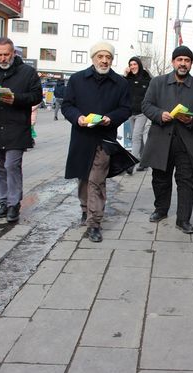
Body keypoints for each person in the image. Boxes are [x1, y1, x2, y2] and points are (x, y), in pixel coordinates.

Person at [61, 41, 135, 242]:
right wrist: (78, 117)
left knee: (97, 180)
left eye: (108, 57)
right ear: (92, 58)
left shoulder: (120, 83)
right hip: (81, 137)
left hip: (105, 138)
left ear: (112, 59)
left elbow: (126, 108)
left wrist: (111, 118)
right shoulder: (77, 80)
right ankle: (85, 209)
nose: (104, 60)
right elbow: (67, 105)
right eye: (100, 57)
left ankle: (94, 223)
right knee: (83, 178)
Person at [140, 46, 193, 234]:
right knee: (160, 179)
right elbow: (146, 105)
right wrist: (159, 114)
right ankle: (161, 210)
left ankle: (183, 219)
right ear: (173, 62)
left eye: (187, 60)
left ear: (191, 63)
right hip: (161, 139)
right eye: (179, 59)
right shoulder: (157, 83)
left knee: (187, 181)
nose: (183, 63)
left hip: (187, 141)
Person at [0, 37, 43, 222]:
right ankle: (3, 202)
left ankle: (14, 204)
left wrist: (16, 98)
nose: (3, 58)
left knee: (12, 165)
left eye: (6, 54)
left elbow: (37, 96)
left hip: (16, 126)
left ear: (13, 53)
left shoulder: (27, 72)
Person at [124, 57, 152, 172]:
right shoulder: (128, 79)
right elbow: (120, 89)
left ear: (139, 65)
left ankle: (131, 164)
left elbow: (152, 93)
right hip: (131, 113)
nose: (132, 66)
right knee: (138, 138)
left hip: (142, 113)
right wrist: (125, 75)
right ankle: (144, 162)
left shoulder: (147, 78)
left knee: (136, 137)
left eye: (135, 64)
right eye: (130, 64)